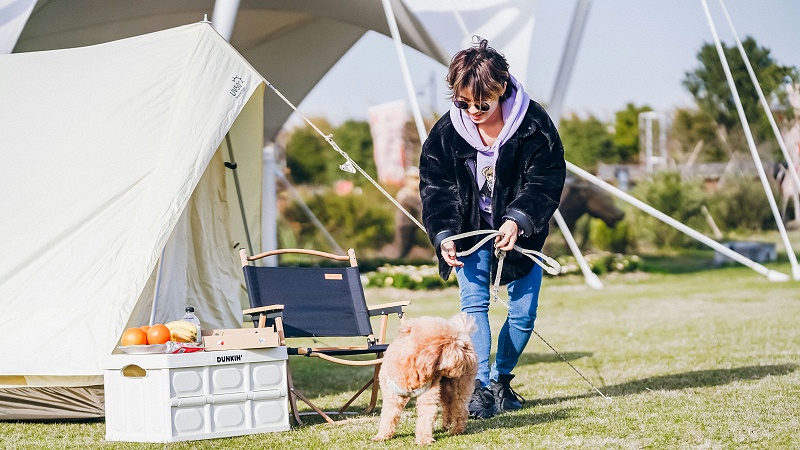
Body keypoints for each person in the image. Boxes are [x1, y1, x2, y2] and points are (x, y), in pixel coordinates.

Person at [419, 39, 566, 419]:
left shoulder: (535, 125)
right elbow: (435, 187)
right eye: (463, 103)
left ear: (501, 87)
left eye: (481, 103)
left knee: (523, 313)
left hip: (522, 232)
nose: (473, 111)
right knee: (474, 307)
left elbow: (546, 179)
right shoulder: (445, 133)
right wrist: (443, 234)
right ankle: (480, 388)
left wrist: (518, 218)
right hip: (468, 234)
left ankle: (501, 379)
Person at [393, 166, 423, 259]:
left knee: (408, 248)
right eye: (415, 179)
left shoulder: (414, 193)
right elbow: (419, 206)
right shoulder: (405, 194)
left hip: (412, 224)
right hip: (404, 225)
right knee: (402, 249)